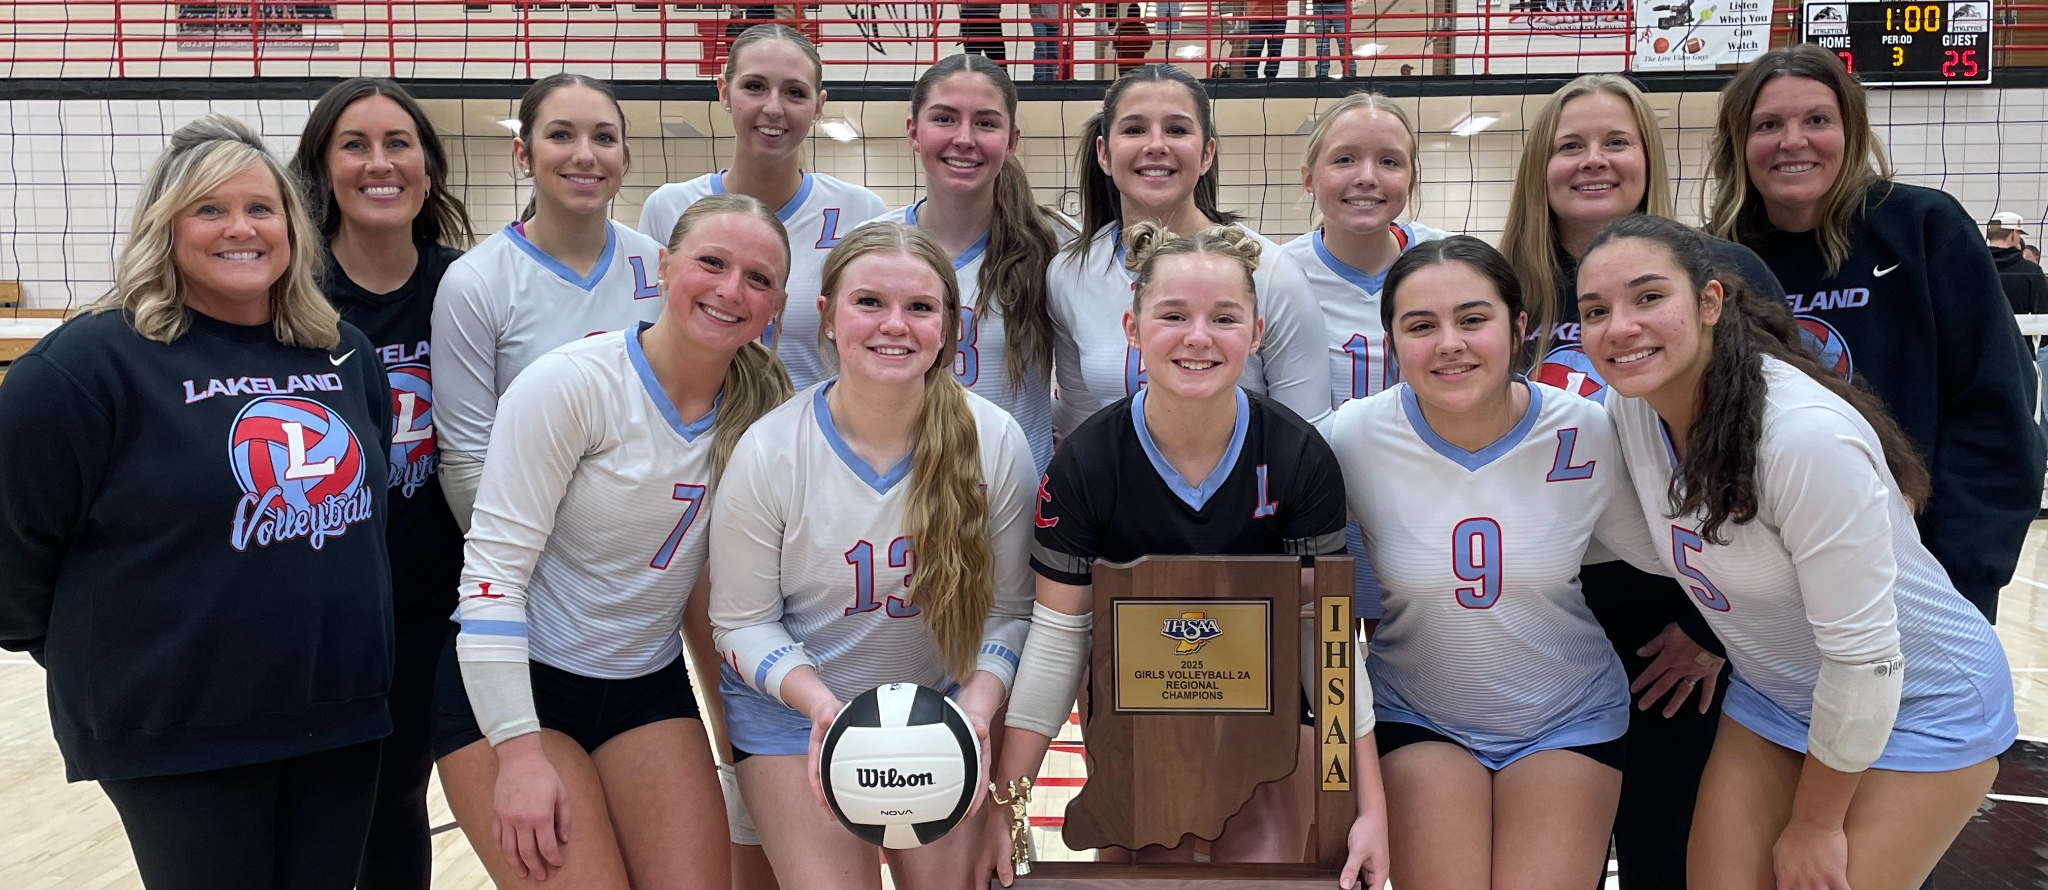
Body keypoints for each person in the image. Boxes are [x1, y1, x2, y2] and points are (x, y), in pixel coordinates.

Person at [0, 114, 393, 890]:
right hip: (178, 727)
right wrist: (106, 649)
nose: (240, 228)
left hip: (339, 712)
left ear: (291, 227)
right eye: (209, 209)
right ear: (165, 227)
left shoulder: (344, 351)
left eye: (261, 208)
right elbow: (13, 554)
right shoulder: (87, 367)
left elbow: (367, 519)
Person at [1576, 213, 2017, 890]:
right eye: (1596, 310)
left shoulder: (1802, 438)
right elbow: (1650, 547)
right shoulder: (1633, 410)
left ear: (1710, 301)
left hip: (1919, 703)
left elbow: (1864, 661)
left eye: (1649, 297)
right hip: (1778, 696)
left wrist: (1815, 824)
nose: (1620, 327)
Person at [434, 194, 794, 889]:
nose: (730, 290)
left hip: (644, 689)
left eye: (758, 278)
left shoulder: (766, 414)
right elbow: (491, 578)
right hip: (519, 688)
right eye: (712, 263)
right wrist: (518, 753)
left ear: (776, 305)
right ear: (663, 266)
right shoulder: (572, 385)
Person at [989, 223, 1360, 886]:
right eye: (1173, 316)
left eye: (1225, 318)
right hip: (1135, 721)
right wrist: (1007, 804)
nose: (1198, 337)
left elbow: (1325, 643)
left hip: (1271, 719)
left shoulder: (1299, 456)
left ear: (1257, 333)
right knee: (1138, 864)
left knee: (1267, 866)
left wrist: (1368, 805)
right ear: (1132, 329)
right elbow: (1058, 638)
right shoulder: (1088, 464)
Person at [1325, 236, 1677, 890]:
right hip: (1417, 712)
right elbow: (1279, 541)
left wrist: (1707, 635)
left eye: (1472, 319)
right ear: (1392, 343)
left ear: (1517, 328)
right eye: (1421, 326)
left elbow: (1677, 552)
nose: (1449, 343)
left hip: (1568, 713)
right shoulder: (1351, 436)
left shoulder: (1587, 429)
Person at [710, 222, 1036, 890]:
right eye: (869, 303)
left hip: (943, 709)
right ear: (827, 318)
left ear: (947, 328)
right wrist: (821, 708)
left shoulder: (995, 442)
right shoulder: (770, 450)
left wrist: (977, 709)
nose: (895, 325)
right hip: (796, 719)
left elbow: (1011, 612)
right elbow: (740, 623)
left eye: (919, 307)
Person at [1498, 72, 1762, 889]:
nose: (1594, 160)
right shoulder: (1502, 284)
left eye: (1617, 141)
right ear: (1540, 165)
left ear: (1648, 157)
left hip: (1673, 615)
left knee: (1665, 850)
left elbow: (1762, 462)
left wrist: (1711, 630)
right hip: (1540, 611)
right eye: (1571, 145)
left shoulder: (1720, 271)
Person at [1707, 44, 2044, 623]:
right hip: (1776, 592)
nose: (1793, 141)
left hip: (1927, 577)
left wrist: (1957, 575)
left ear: (1851, 132)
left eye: (1817, 119)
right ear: (1740, 142)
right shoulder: (1721, 260)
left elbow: (1996, 409)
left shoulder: (1923, 226)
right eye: (1768, 125)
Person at [288, 77, 472, 890]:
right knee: (319, 810)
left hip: (432, 600)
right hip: (320, 605)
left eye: (398, 143)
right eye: (354, 145)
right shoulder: (288, 291)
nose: (379, 163)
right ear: (322, 169)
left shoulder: (465, 285)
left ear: (427, 167)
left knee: (396, 802)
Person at [432, 73, 664, 529]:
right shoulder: (474, 282)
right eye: (560, 135)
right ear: (523, 155)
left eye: (604, 137)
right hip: (535, 548)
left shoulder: (658, 264)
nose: (585, 154)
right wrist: (541, 559)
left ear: (624, 158)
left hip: (651, 536)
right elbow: (467, 461)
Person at [1051, 64, 1330, 438]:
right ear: (1104, 153)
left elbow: (1304, 430)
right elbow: (1081, 420)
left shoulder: (1271, 272)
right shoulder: (1070, 272)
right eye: (1134, 130)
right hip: (1115, 476)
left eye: (1177, 130)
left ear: (1206, 154)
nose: (1156, 145)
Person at [1274, 91, 1449, 621]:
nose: (1367, 177)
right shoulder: (1277, 273)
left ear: (1411, 179)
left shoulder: (1449, 263)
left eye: (1389, 161)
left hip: (1430, 510)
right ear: (1309, 178)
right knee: (1332, 660)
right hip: (1323, 516)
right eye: (1345, 159)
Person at [638, 24, 885, 393]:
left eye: (794, 92)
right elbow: (649, 338)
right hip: (697, 421)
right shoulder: (668, 206)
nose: (773, 108)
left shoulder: (861, 210)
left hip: (814, 423)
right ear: (724, 92)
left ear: (818, 106)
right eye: (754, 87)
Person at [869, 53, 1073, 470]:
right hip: (905, 483)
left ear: (1011, 141)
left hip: (1020, 485)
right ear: (913, 132)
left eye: (985, 122)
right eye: (944, 118)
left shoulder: (1057, 242)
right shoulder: (873, 245)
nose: (964, 138)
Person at [1987, 211, 2045, 318]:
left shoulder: (1970, 268)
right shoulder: (2032, 272)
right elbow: (2044, 315)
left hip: (1978, 329)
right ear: (2013, 235)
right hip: (2018, 328)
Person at [1241, 0, 1287, 78]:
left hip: (1278, 13)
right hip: (1258, 14)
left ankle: (1270, 77)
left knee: (1275, 49)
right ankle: (1251, 77)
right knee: (1256, 47)